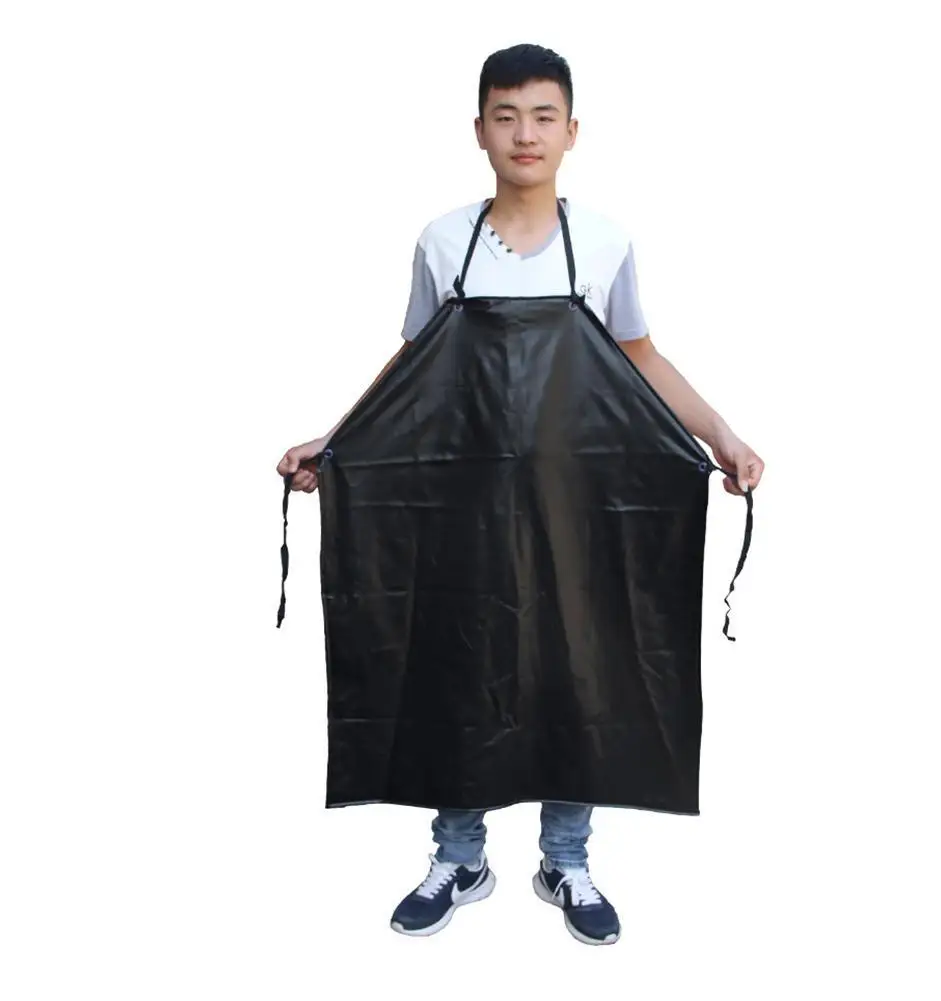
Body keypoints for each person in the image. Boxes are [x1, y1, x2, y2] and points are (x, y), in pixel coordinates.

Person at [277, 43, 765, 946]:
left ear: (572, 131)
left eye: (543, 116)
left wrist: (721, 435)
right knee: (457, 661)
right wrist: (336, 442)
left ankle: (566, 858)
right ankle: (458, 856)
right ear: (479, 131)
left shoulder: (604, 242)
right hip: (460, 504)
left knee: (576, 665)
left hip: (575, 503)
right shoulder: (443, 241)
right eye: (506, 116)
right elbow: (413, 366)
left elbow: (639, 357)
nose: (524, 133)